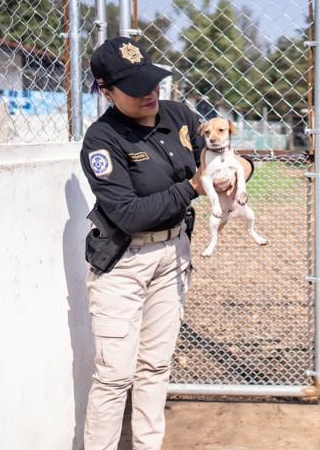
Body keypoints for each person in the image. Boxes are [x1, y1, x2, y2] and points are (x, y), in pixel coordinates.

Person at [79, 37, 251, 450]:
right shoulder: (102, 141)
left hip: (174, 254)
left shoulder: (178, 115)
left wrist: (241, 167)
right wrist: (195, 186)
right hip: (123, 261)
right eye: (137, 88)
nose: (151, 93)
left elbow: (228, 153)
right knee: (115, 375)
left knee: (155, 366)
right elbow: (129, 214)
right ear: (106, 91)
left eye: (153, 82)